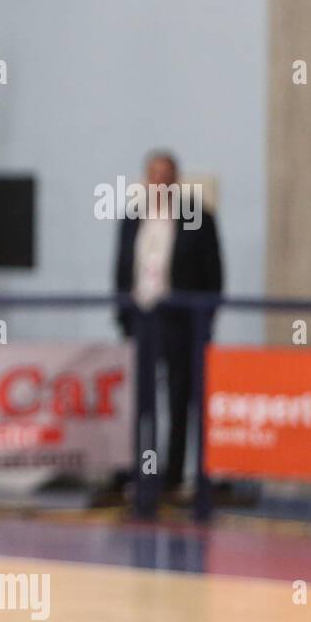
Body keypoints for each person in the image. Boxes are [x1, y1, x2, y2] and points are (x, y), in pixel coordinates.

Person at [113, 150, 223, 497]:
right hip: (143, 322)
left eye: (167, 176)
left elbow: (214, 275)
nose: (160, 183)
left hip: (181, 323)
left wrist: (203, 324)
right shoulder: (133, 219)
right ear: (146, 179)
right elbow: (121, 267)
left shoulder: (198, 219)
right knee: (141, 401)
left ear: (176, 180)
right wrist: (124, 316)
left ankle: (174, 476)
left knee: (179, 400)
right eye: (154, 175)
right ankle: (142, 471)